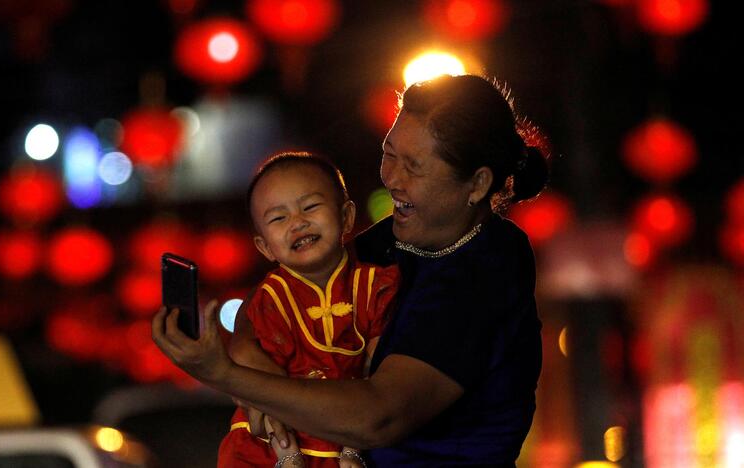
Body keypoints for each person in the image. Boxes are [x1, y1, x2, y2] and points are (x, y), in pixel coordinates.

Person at [153, 74, 549, 466]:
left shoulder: (490, 265)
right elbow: (280, 292)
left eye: (413, 166)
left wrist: (226, 376)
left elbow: (380, 416)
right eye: (389, 153)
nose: (392, 179)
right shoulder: (389, 242)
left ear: (477, 184)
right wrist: (249, 355)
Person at [218, 152, 400, 468]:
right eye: (279, 218)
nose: (298, 223)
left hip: (347, 429)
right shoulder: (270, 299)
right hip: (272, 445)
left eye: (310, 207)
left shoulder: (375, 285)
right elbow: (260, 381)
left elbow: (381, 373)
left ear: (346, 216)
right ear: (264, 247)